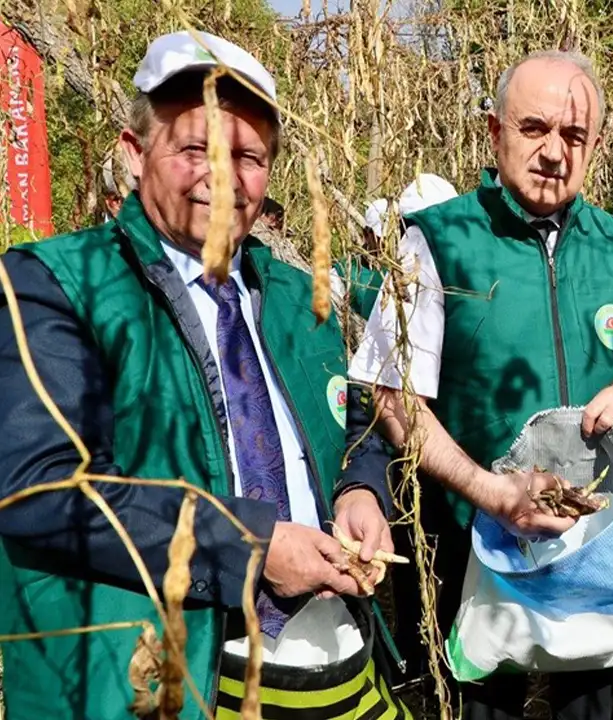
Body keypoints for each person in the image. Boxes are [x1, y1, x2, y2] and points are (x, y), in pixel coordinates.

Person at [0, 31, 405, 720]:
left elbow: (361, 416)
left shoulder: (298, 297)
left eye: (249, 156)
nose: (224, 173)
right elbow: (38, 489)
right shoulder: (54, 286)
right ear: (134, 154)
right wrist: (251, 547)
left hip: (333, 661)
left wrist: (361, 485)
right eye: (196, 148)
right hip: (161, 682)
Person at [349, 50, 613, 719]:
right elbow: (391, 393)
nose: (554, 151)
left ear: (597, 146)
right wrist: (490, 493)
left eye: (574, 136)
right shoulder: (437, 240)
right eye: (535, 129)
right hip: (470, 537)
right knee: (476, 701)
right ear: (495, 131)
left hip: (590, 541)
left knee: (590, 702)